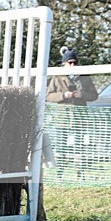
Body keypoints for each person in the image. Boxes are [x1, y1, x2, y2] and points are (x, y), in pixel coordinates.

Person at [45, 46, 98, 180]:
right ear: (64, 63)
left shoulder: (84, 77)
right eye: (69, 62)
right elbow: (48, 95)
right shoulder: (57, 77)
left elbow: (94, 95)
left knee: (79, 148)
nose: (72, 65)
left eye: (74, 62)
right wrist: (64, 95)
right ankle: (60, 174)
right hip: (62, 119)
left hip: (80, 118)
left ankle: (80, 174)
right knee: (61, 148)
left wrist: (82, 94)